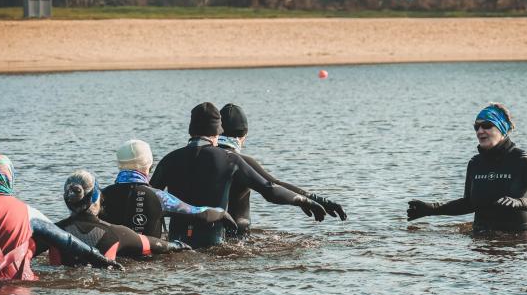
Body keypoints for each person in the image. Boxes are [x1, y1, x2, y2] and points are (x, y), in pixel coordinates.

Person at [150, 102, 326, 248]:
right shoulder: (230, 159)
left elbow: (148, 198)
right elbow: (269, 190)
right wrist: (304, 200)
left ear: (190, 131)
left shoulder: (169, 159)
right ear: (218, 132)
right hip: (213, 243)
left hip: (176, 241)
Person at [407, 103, 527, 233]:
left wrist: (521, 202)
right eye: (477, 127)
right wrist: (432, 209)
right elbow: (469, 203)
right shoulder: (475, 163)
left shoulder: (521, 159)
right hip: (481, 236)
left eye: (487, 125)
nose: (480, 131)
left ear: (502, 128)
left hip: (520, 239)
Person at [0, 154, 120, 281]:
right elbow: (67, 240)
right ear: (10, 177)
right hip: (20, 292)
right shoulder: (29, 213)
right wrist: (100, 259)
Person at [218, 103, 347, 237]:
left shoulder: (202, 156)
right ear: (244, 135)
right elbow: (274, 186)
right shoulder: (241, 161)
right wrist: (315, 200)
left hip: (205, 232)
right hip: (236, 238)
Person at [101, 139, 236, 239]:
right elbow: (198, 213)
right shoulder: (159, 197)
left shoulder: (101, 197)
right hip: (150, 264)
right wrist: (221, 213)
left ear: (119, 164)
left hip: (113, 259)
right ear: (149, 163)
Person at [54, 170, 193, 263]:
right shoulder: (117, 233)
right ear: (97, 197)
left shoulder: (52, 231)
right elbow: (158, 245)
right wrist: (178, 245)